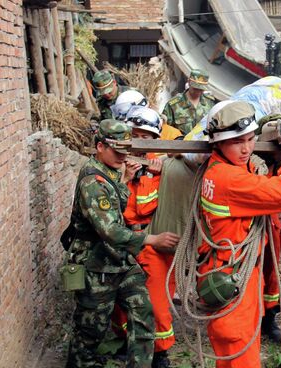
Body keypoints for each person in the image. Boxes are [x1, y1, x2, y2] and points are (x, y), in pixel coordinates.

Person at [197, 100, 281, 367]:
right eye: (237, 142)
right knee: (240, 352)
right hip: (233, 280)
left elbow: (250, 182)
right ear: (218, 143)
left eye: (249, 139)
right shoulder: (229, 179)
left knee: (239, 350)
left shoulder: (219, 169)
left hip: (228, 273)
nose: (246, 149)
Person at [65, 119, 180, 368]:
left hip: (120, 262)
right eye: (116, 152)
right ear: (99, 147)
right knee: (90, 332)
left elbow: (118, 205)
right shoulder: (92, 182)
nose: (121, 158)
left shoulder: (109, 173)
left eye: (124, 153)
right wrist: (152, 239)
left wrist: (125, 179)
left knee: (143, 314)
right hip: (97, 267)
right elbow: (110, 231)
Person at [107, 106, 177, 368]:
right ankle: (127, 341)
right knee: (120, 301)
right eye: (135, 136)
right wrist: (127, 176)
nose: (140, 143)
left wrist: (151, 174)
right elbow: (112, 207)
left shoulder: (164, 170)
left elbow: (146, 207)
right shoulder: (114, 167)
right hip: (121, 243)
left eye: (146, 138)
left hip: (151, 244)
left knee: (157, 303)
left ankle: (160, 354)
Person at [162, 69, 215, 135]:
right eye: (195, 88)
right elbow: (165, 130)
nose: (198, 92)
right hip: (180, 144)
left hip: (204, 144)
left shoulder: (210, 103)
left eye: (201, 89)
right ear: (189, 82)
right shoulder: (173, 105)